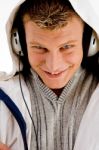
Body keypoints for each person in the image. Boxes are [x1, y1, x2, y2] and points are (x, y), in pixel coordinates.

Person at [0, 0, 99, 150]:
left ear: (89, 43)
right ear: (20, 44)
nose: (54, 66)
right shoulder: (4, 98)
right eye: (39, 48)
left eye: (67, 47)